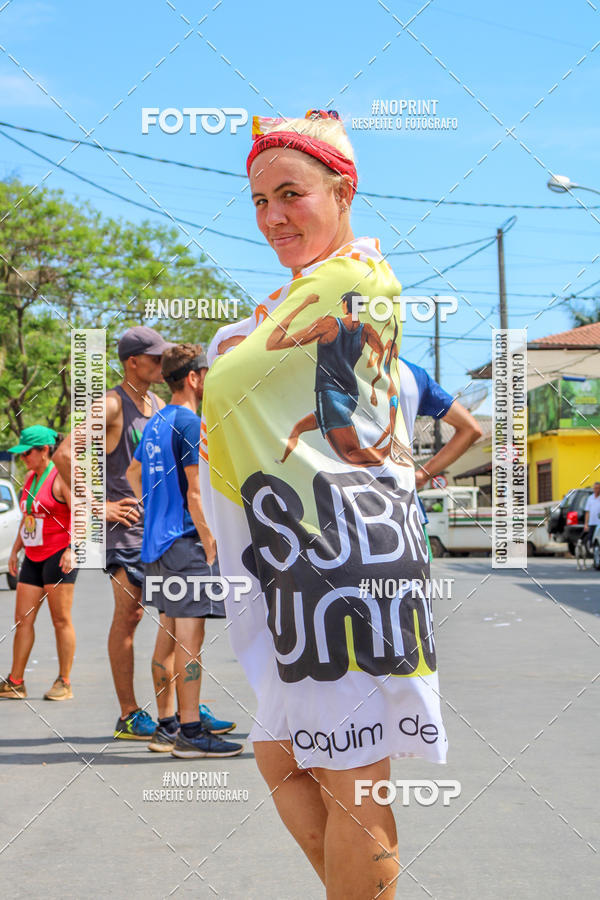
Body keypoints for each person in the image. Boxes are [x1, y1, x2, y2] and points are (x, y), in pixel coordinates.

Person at [199, 110, 446, 897]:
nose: (273, 217)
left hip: (342, 557)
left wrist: (229, 348)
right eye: (259, 202)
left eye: (291, 194)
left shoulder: (357, 280)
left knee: (352, 773)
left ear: (343, 191)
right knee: (282, 755)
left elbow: (232, 380)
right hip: (294, 555)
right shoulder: (295, 298)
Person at [126, 344, 242, 758]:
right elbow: (196, 492)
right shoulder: (191, 422)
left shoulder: (156, 420)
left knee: (169, 633)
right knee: (191, 636)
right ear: (193, 378)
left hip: (157, 543)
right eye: (207, 374)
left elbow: (133, 472)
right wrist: (211, 540)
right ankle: (191, 733)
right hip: (186, 542)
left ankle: (166, 725)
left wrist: (155, 510)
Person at [53, 326, 167, 739]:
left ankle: (176, 711)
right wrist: (95, 507)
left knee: (178, 617)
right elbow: (66, 453)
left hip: (161, 528)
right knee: (131, 614)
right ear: (131, 361)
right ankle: (129, 712)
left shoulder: (158, 403)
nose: (161, 363)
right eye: (154, 358)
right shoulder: (112, 405)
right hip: (124, 530)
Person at [0, 426, 77, 701]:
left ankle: (64, 681)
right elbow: (27, 516)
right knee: (22, 620)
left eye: (27, 454)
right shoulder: (31, 478)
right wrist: (15, 550)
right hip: (32, 556)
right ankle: (15, 681)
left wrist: (72, 548)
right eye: (20, 456)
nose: (23, 459)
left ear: (45, 450)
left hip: (58, 556)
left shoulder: (61, 477)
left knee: (60, 620)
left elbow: (80, 515)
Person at [583, 481, 600, 550]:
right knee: (591, 539)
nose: (597, 490)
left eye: (598, 488)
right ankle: (593, 553)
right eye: (595, 488)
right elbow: (587, 512)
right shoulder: (590, 498)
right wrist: (586, 524)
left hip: (599, 523)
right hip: (592, 522)